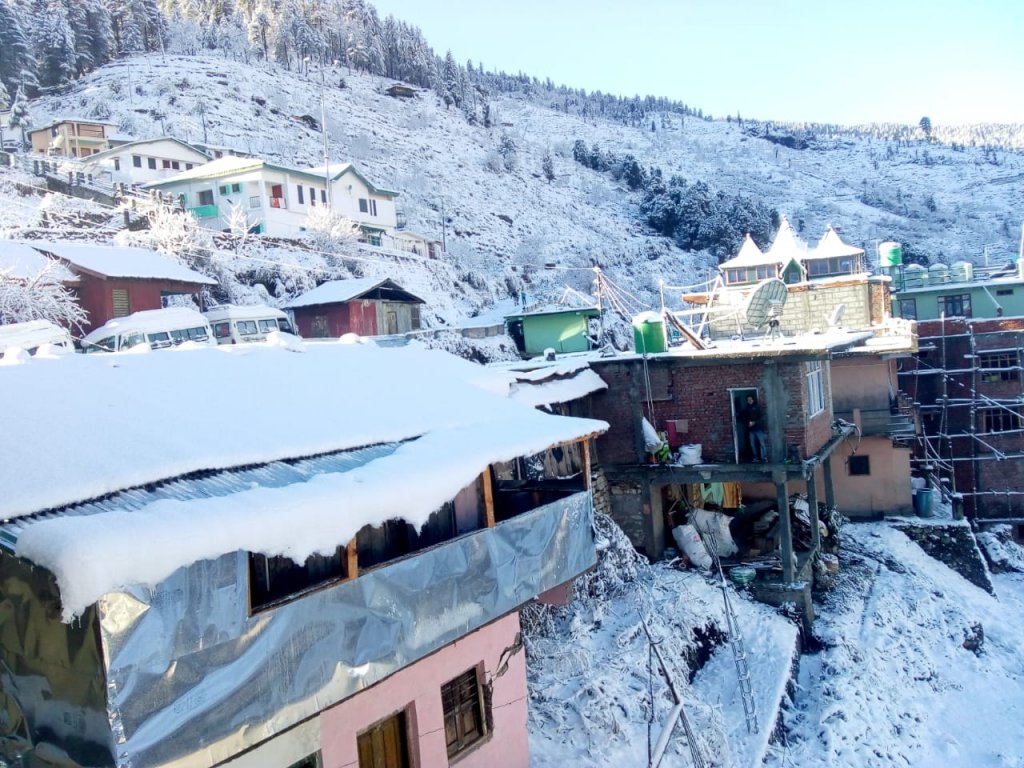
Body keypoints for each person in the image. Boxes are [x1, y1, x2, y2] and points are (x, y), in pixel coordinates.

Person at [740, 394, 768, 462]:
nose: (749, 401)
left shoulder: (758, 407)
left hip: (759, 429)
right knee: (752, 444)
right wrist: (747, 424)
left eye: (750, 399)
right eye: (748, 400)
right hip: (751, 430)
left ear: (753, 399)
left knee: (762, 443)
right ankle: (756, 458)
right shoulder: (746, 408)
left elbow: (762, 418)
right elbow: (744, 418)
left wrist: (754, 422)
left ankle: (764, 458)